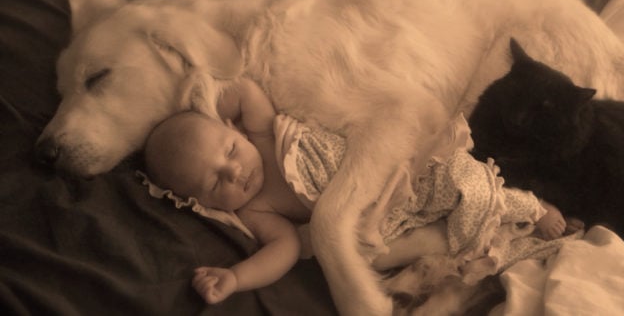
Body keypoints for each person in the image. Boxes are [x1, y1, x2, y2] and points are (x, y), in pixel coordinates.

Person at [144, 79, 577, 304]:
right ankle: (508, 233)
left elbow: (244, 90)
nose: (236, 171)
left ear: (231, 128)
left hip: (400, 164)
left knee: (464, 178)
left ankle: (531, 207)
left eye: (229, 150)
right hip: (389, 212)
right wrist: (237, 278)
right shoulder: (257, 211)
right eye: (217, 181)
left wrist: (204, 103)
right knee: (444, 236)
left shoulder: (258, 132)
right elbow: (283, 252)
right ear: (199, 204)